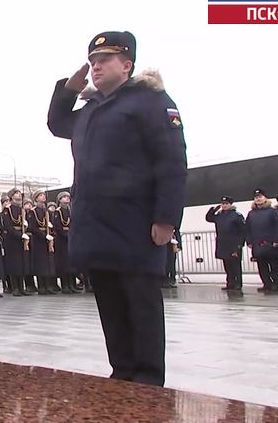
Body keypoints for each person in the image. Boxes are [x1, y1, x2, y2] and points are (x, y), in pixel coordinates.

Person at [46, 30, 188, 387]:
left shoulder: (150, 101)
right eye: (92, 61)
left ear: (127, 65)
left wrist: (166, 218)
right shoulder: (92, 108)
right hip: (96, 227)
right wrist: (68, 90)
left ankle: (149, 381)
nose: (95, 67)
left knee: (141, 306)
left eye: (104, 60)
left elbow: (171, 162)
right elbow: (57, 124)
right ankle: (122, 374)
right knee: (110, 306)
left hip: (135, 225)